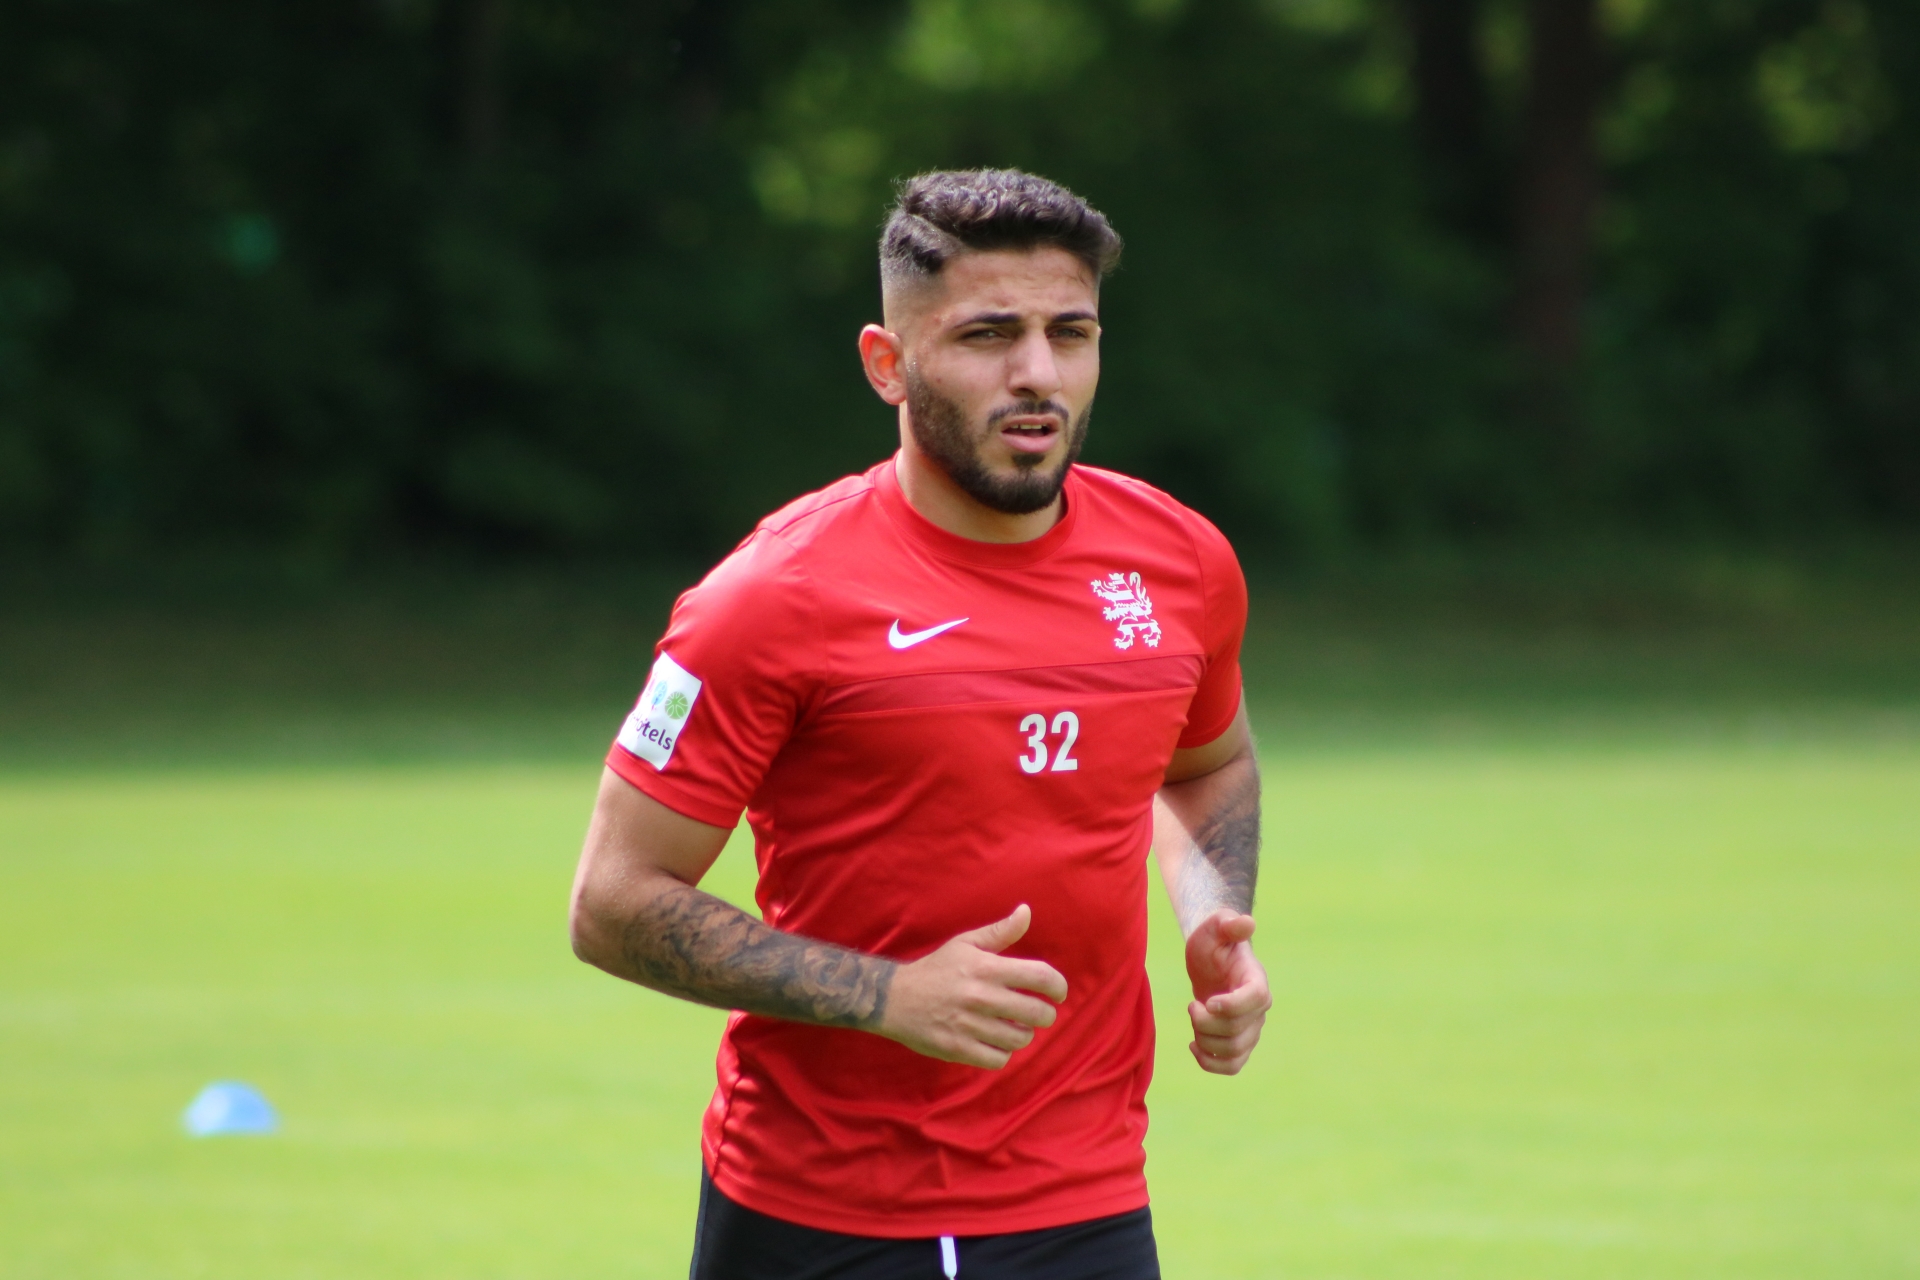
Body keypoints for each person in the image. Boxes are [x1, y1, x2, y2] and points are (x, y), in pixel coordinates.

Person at [568, 168, 1270, 1280]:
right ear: (886, 363)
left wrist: (1212, 914)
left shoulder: (1179, 561)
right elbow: (611, 902)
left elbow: (1207, 763)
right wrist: (886, 994)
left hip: (1091, 1198)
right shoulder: (772, 596)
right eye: (989, 334)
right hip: (828, 1213)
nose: (1038, 373)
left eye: (1070, 333)